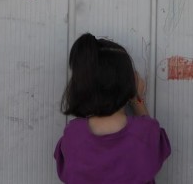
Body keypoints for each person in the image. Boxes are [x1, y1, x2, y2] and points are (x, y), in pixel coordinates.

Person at [54, 33, 171, 184]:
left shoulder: (73, 136)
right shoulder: (145, 132)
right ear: (128, 83)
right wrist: (137, 99)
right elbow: (159, 148)